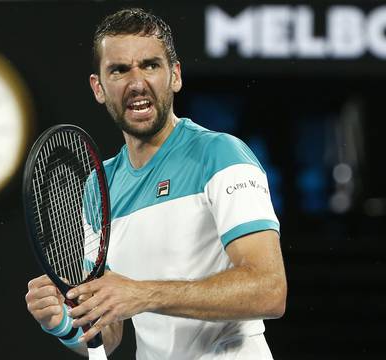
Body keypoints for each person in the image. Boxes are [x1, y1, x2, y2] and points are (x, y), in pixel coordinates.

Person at [24, 8, 287, 360]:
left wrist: (143, 294)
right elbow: (107, 333)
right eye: (119, 70)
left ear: (174, 75)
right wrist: (61, 323)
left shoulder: (221, 155)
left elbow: (269, 290)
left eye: (150, 65)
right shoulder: (98, 187)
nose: (136, 83)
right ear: (98, 88)